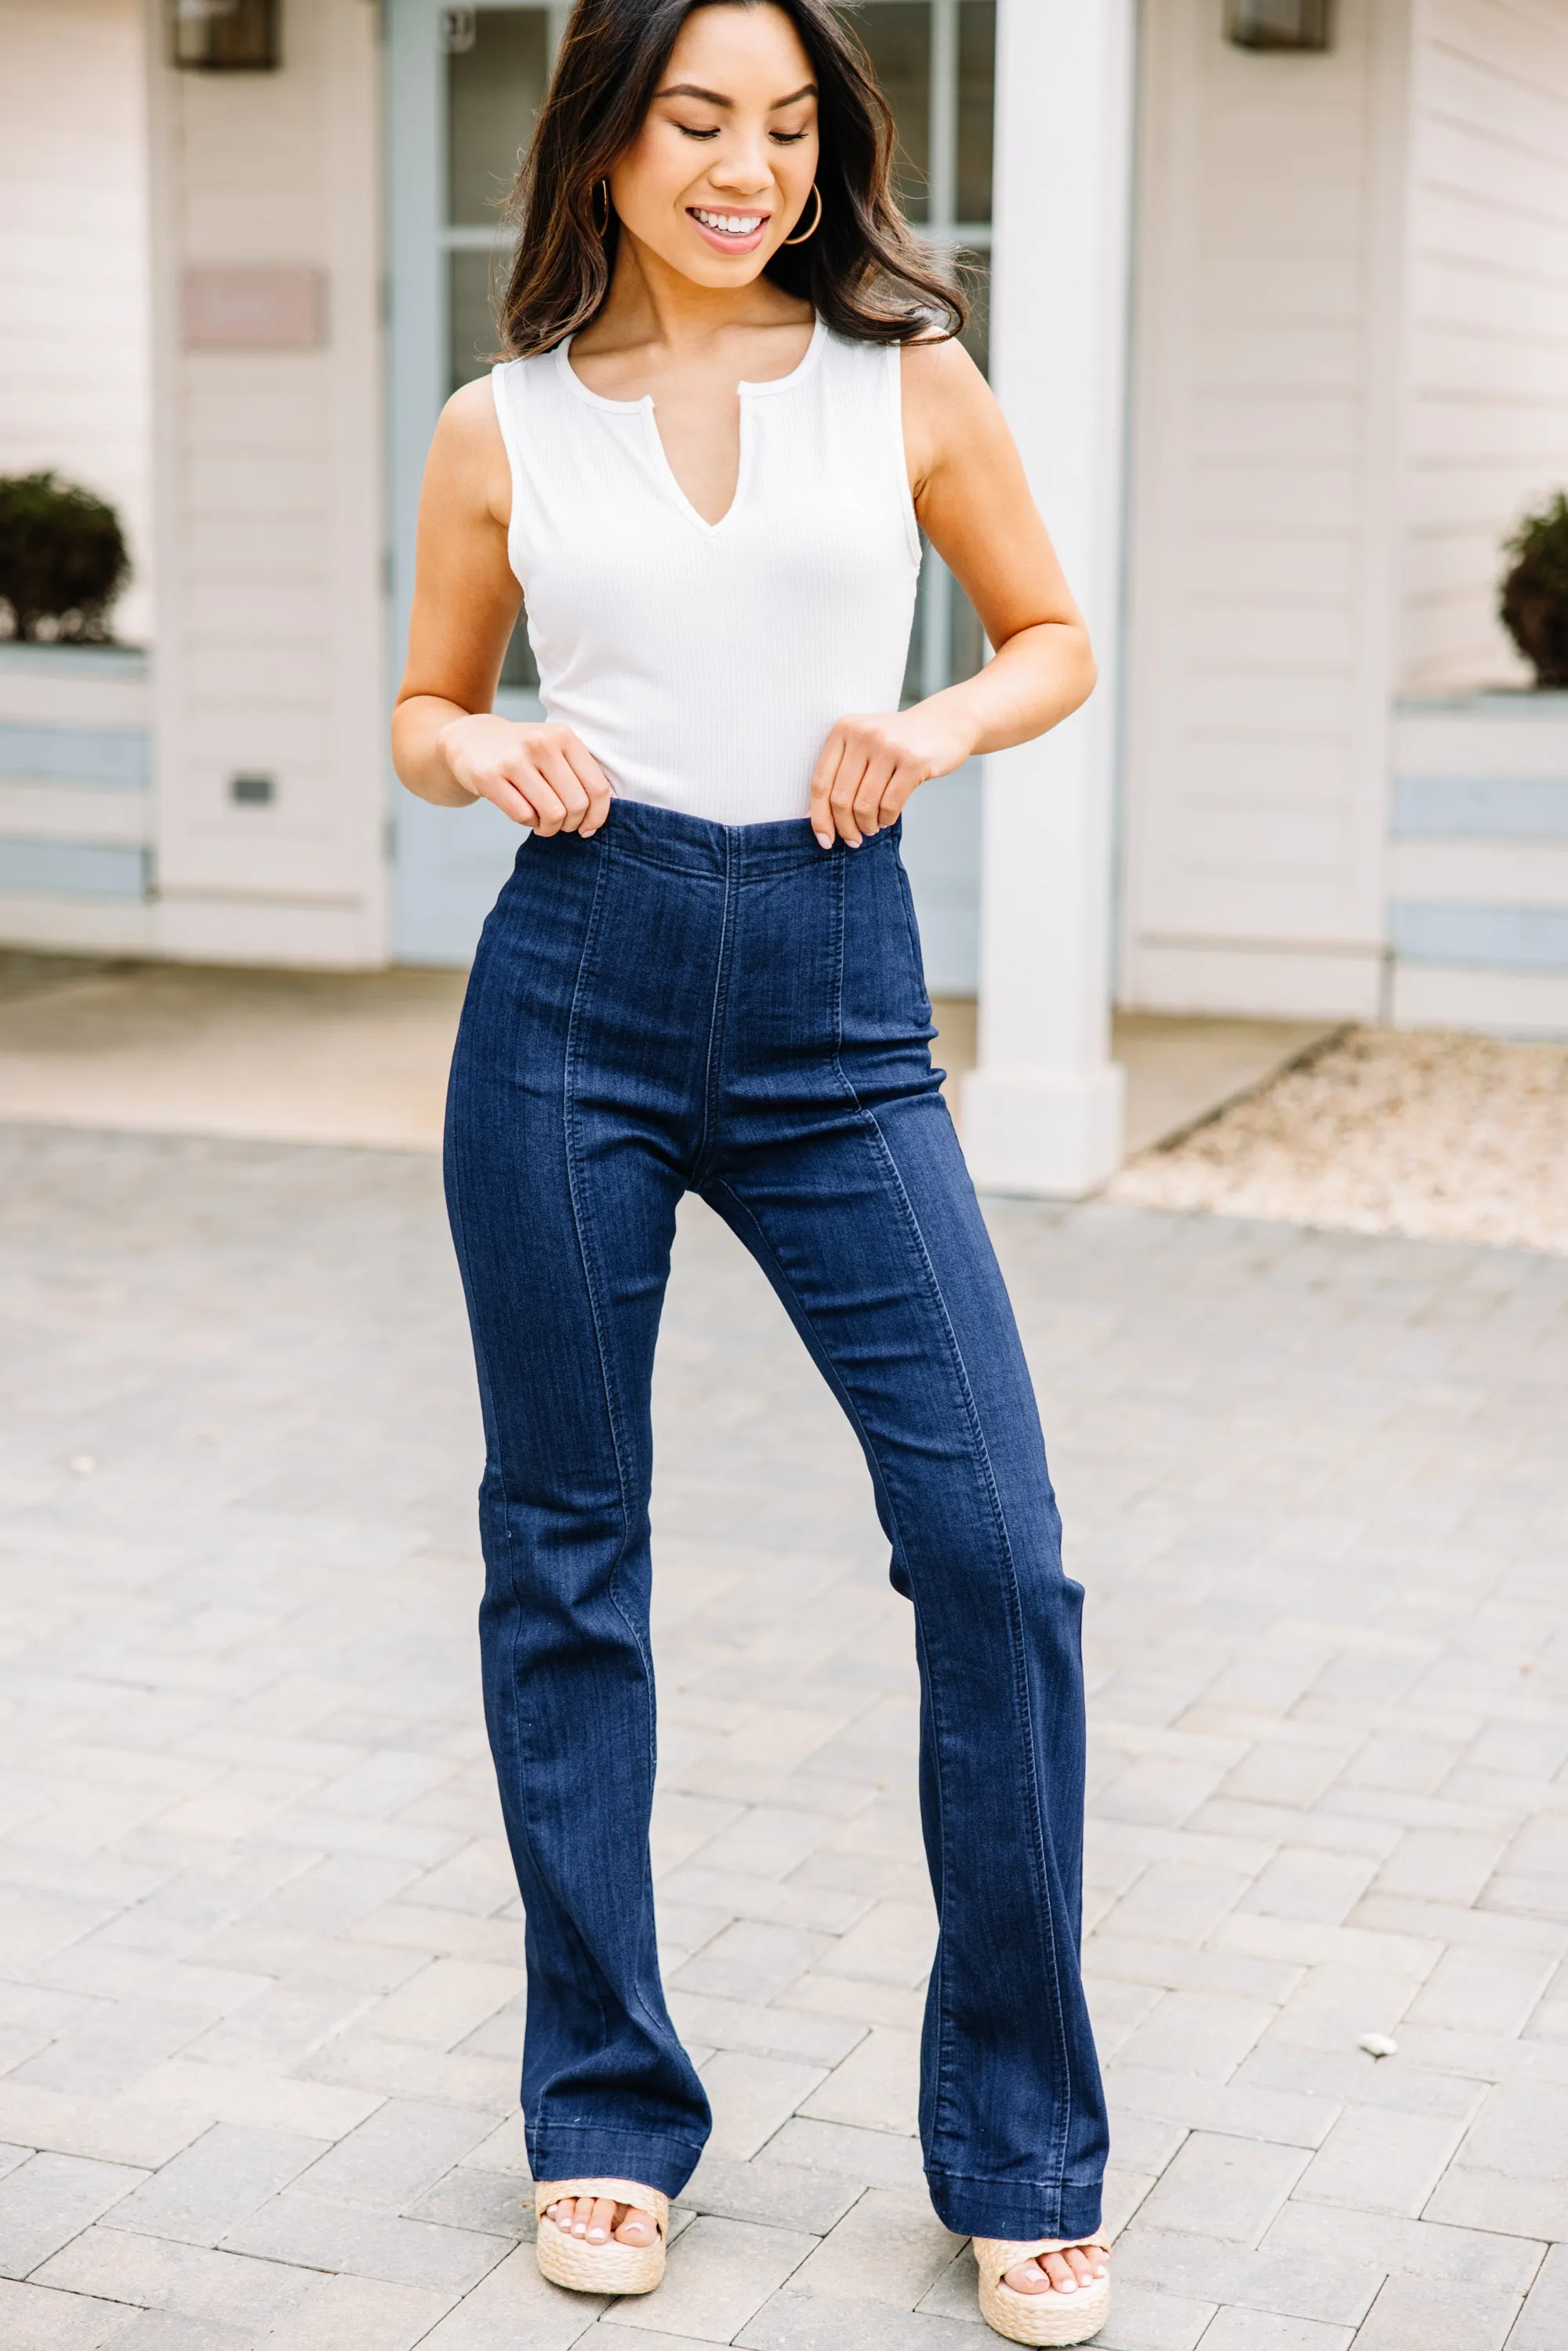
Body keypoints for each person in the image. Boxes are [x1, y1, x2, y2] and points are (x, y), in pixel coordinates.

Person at [392, 2, 1111, 2340]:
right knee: (566, 1558)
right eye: (703, 118)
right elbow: (423, 705)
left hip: (836, 1004)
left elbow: (1052, 638)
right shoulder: (493, 429)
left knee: (997, 1551)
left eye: (791, 126)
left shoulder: (902, 380)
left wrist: (927, 721)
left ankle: (1021, 2139)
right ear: (602, 135)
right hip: (571, 1001)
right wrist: (482, 747)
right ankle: (602, 2114)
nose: (751, 166)